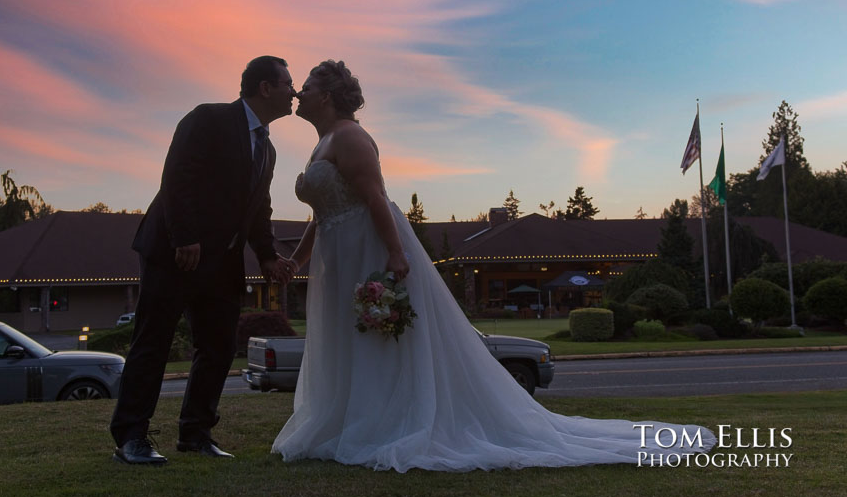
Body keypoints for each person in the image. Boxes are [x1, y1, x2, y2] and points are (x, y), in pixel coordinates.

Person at [272, 59, 716, 472]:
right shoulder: (320, 144)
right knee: (348, 337)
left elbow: (375, 199)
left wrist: (395, 253)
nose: (299, 94)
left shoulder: (350, 137)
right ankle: (347, 421)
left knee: (380, 336)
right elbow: (325, 214)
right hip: (339, 256)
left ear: (327, 95)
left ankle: (385, 424)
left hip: (367, 251)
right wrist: (297, 260)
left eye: (306, 87)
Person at [110, 55, 297, 465]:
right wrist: (186, 237)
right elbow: (178, 176)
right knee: (153, 342)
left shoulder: (267, 148)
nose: (294, 92)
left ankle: (196, 432)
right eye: (287, 84)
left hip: (224, 262)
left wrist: (266, 255)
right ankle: (131, 438)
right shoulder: (208, 119)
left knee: (218, 345)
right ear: (265, 87)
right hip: (175, 253)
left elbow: (258, 207)